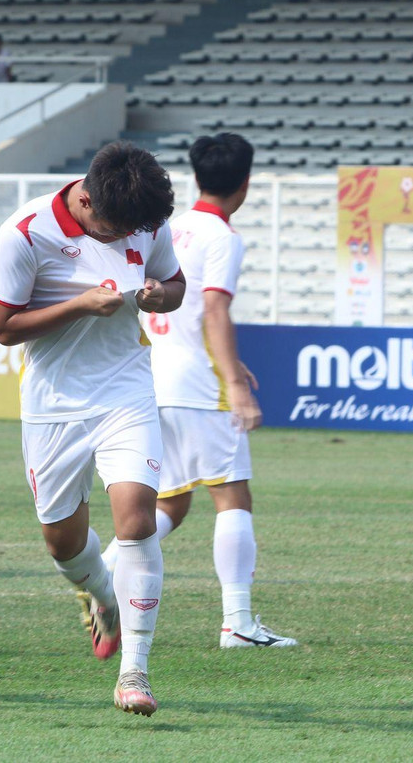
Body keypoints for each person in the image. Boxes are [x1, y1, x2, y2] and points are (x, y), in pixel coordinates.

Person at [0, 141, 185, 717]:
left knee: (137, 519)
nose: (129, 240)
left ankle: (136, 674)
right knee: (62, 543)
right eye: (118, 230)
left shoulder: (146, 218)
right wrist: (80, 304)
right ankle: (102, 598)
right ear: (89, 201)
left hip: (126, 390)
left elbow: (174, 286)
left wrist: (156, 296)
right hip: (53, 406)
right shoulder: (24, 234)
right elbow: (4, 328)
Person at [101, 133, 297, 649]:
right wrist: (233, 382)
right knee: (232, 494)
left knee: (171, 503)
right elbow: (213, 309)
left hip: (152, 378)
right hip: (198, 385)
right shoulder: (222, 237)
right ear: (246, 183)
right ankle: (238, 623)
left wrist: (234, 364)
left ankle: (102, 577)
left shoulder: (172, 226)